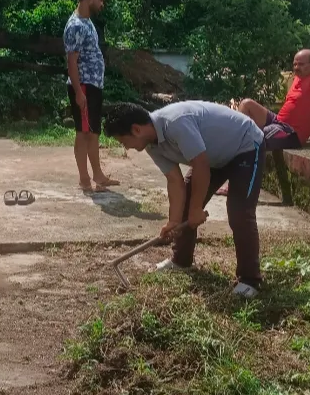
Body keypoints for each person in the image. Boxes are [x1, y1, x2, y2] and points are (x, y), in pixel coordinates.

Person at [104, 101, 266, 298]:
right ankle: (181, 261)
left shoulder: (176, 123)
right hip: (214, 156)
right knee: (187, 203)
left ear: (136, 129)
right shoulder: (152, 146)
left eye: (123, 142)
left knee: (239, 211)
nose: (126, 148)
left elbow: (201, 165)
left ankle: (250, 279)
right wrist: (174, 221)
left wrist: (196, 209)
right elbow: (174, 181)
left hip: (246, 145)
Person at [64, 0, 119, 193]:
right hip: (84, 86)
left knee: (92, 132)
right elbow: (71, 61)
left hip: (92, 85)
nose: (102, 4)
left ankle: (97, 175)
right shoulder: (76, 25)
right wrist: (79, 92)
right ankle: (85, 179)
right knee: (83, 132)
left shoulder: (86, 22)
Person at [235, 48, 310, 150]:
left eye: (301, 64)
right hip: (277, 120)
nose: (296, 67)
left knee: (253, 139)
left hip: (289, 131)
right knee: (246, 104)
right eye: (295, 64)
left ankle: (235, 145)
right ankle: (236, 137)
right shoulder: (298, 78)